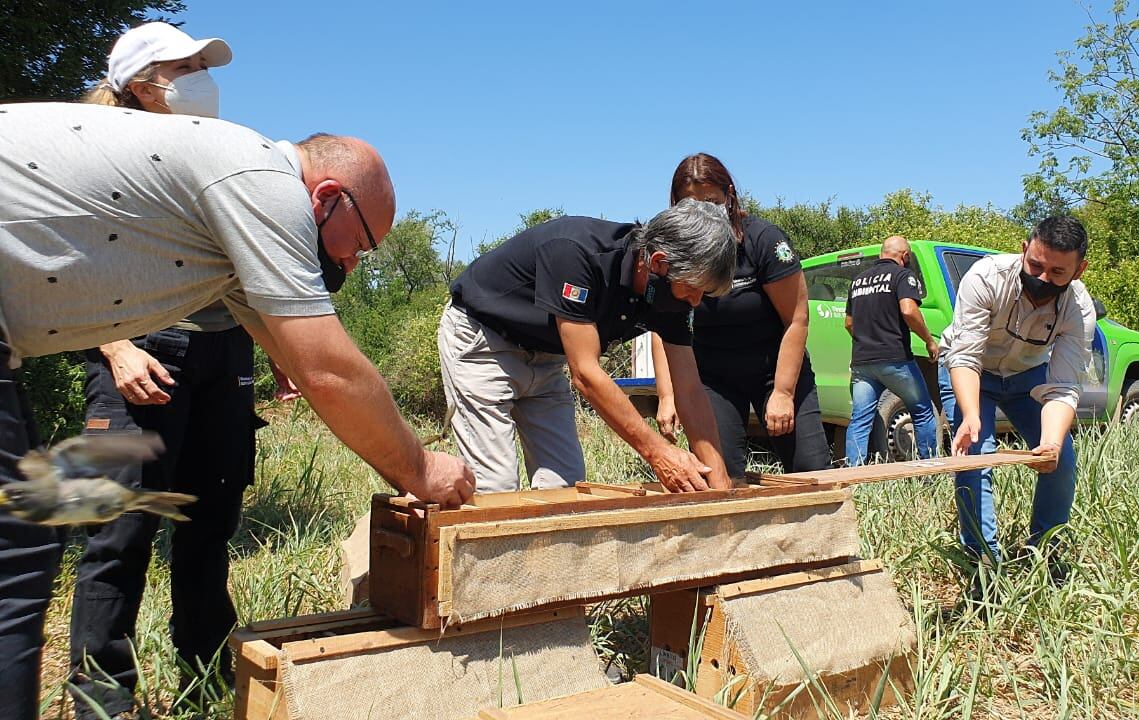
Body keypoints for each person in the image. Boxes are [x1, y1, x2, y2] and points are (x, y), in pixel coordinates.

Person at [0, 101, 475, 720]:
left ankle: (203, 672)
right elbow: (329, 372)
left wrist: (401, 473)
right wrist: (423, 468)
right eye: (360, 245)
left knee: (22, 548)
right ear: (326, 197)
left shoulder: (229, 230)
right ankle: (100, 701)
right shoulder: (263, 185)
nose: (355, 265)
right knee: (18, 555)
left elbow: (308, 369)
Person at [67, 22, 285, 716]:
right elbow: (65, 262)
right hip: (139, 355)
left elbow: (241, 271)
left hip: (222, 359)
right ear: (140, 84)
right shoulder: (92, 153)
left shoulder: (215, 154)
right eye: (183, 66)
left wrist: (278, 350)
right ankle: (104, 700)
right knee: (118, 535)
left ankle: (205, 683)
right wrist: (115, 344)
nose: (200, 76)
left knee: (208, 529)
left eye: (201, 64)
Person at [440, 200, 737, 494]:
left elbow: (689, 390)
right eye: (693, 288)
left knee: (566, 489)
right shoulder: (575, 252)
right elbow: (585, 373)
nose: (696, 302)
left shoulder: (672, 296)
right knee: (496, 489)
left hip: (546, 356)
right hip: (483, 343)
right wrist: (660, 454)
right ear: (659, 263)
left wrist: (720, 481)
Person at [938, 216, 1095, 588]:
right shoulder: (985, 277)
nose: (1042, 279)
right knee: (974, 454)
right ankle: (983, 563)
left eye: (1058, 272)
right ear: (1024, 249)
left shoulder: (1079, 309)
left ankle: (1046, 551)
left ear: (1079, 270)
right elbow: (964, 356)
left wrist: (1052, 443)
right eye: (1036, 265)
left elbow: (1062, 386)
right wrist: (971, 415)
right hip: (971, 374)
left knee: (1059, 457)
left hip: (1028, 378)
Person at [651, 153, 830, 478]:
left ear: (728, 196)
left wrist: (783, 393)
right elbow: (662, 326)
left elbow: (797, 319)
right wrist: (667, 395)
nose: (702, 212)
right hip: (712, 378)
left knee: (811, 472)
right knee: (719, 475)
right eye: (690, 204)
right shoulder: (671, 249)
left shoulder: (764, 240)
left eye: (710, 201)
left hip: (774, 371)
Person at [844, 235, 939, 465]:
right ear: (905, 256)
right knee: (923, 411)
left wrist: (868, 341)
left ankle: (851, 476)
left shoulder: (858, 281)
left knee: (860, 419)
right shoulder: (903, 275)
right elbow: (908, 311)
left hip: (862, 363)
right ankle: (930, 472)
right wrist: (928, 339)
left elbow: (848, 322)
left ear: (881, 253)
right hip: (895, 360)